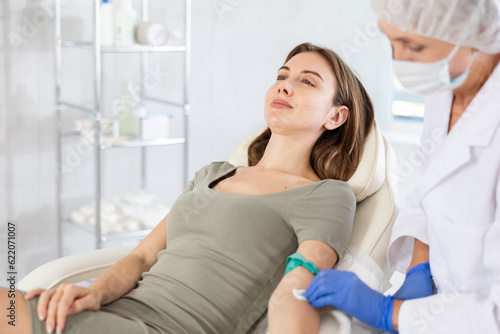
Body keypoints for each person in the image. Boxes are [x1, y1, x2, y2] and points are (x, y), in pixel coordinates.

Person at [0, 42, 375, 334]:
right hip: (112, 313)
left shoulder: (326, 195)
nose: (285, 85)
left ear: (335, 115)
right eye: (282, 75)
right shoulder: (213, 173)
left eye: (306, 81)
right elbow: (142, 258)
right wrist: (93, 292)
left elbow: (297, 284)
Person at [303, 0, 500, 333]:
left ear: (475, 33)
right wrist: (418, 268)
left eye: (415, 46)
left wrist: (387, 312)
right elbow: (430, 178)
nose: (400, 60)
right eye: (390, 40)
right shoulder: (447, 81)